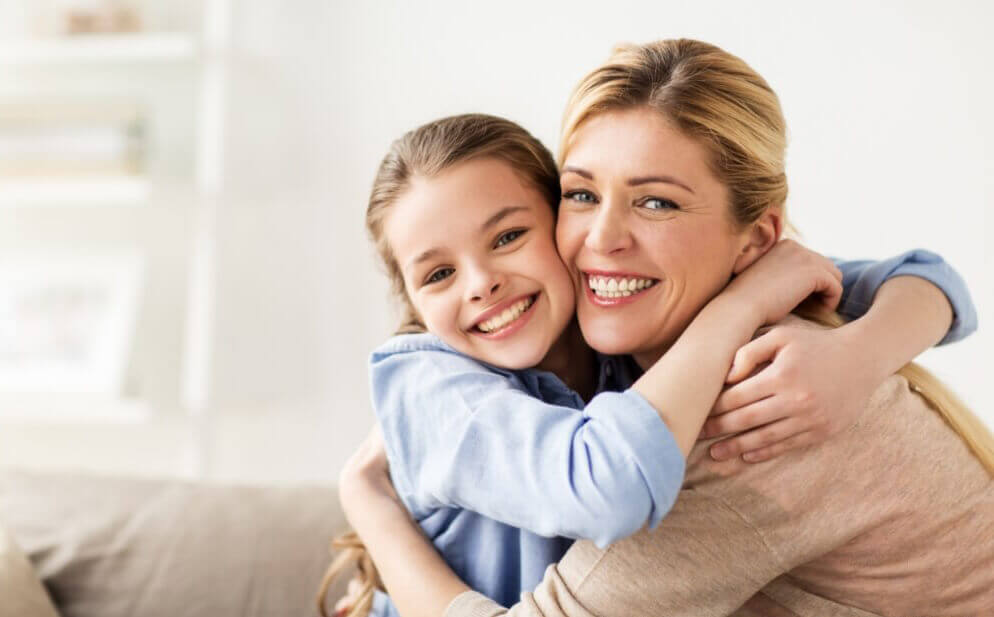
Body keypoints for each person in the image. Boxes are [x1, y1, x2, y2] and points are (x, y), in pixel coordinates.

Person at [336, 39, 992, 616]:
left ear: (756, 242)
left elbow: (927, 277)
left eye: (656, 202)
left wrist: (856, 354)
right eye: (584, 194)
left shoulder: (764, 411)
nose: (602, 239)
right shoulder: (697, 316)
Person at [321, 113, 852, 617]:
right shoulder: (429, 389)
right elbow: (607, 490)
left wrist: (869, 347)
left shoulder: (612, 320)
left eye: (507, 237)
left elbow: (864, 276)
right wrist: (740, 307)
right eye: (439, 274)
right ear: (414, 303)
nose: (482, 283)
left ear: (563, 225)